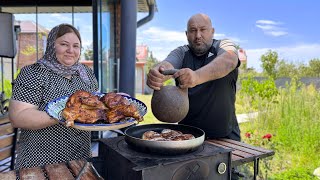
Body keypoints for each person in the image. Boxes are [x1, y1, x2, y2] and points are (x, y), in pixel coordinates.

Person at [9, 24, 98, 169]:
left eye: (76, 46)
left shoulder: (85, 73)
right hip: (40, 163)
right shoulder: (34, 73)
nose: (71, 50)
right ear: (51, 45)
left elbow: (93, 106)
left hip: (80, 160)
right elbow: (18, 116)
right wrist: (64, 114)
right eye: (64, 44)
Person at [147, 13, 241, 141]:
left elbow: (229, 60)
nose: (198, 36)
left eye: (203, 30)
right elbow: (166, 65)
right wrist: (157, 74)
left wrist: (196, 76)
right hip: (186, 137)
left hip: (225, 137)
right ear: (186, 35)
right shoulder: (181, 52)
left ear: (212, 32)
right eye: (193, 31)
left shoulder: (224, 44)